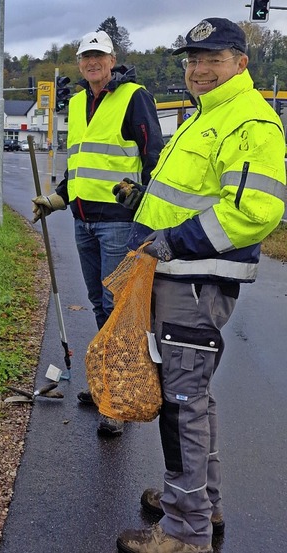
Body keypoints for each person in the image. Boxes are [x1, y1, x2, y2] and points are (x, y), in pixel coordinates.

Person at [116, 18, 286, 553]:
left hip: (194, 281)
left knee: (183, 402)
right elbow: (191, 193)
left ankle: (184, 531)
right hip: (177, 276)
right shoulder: (207, 115)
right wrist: (139, 203)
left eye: (212, 58)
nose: (198, 69)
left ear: (241, 62)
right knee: (195, 399)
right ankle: (196, 501)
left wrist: (175, 241)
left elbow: (256, 211)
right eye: (192, 60)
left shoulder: (251, 120)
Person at [31, 30, 164, 436]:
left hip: (119, 222)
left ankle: (117, 400)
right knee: (98, 304)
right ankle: (105, 382)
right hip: (83, 221)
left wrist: (148, 202)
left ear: (112, 59)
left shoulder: (133, 96)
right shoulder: (76, 101)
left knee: (117, 308)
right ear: (80, 62)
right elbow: (81, 162)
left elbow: (154, 154)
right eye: (86, 57)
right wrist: (57, 198)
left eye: (99, 56)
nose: (92, 63)